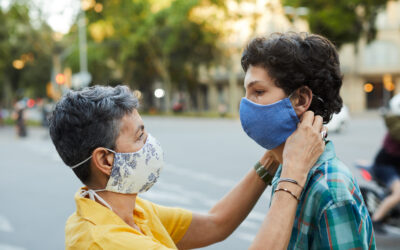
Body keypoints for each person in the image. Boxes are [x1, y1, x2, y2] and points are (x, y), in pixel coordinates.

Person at [48, 85, 325, 249]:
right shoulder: (108, 241)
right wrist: (293, 172)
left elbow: (217, 223)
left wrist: (273, 158)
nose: (150, 143)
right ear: (106, 160)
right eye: (140, 136)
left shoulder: (125, 210)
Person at [239, 32, 375, 249]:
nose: (246, 104)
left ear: (301, 99)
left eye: (258, 91)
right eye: (246, 92)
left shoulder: (331, 188)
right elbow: (215, 222)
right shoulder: (287, 172)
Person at [370, 98, 400, 233]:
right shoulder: (397, 127)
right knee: (399, 193)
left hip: (394, 165)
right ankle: (376, 220)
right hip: (385, 166)